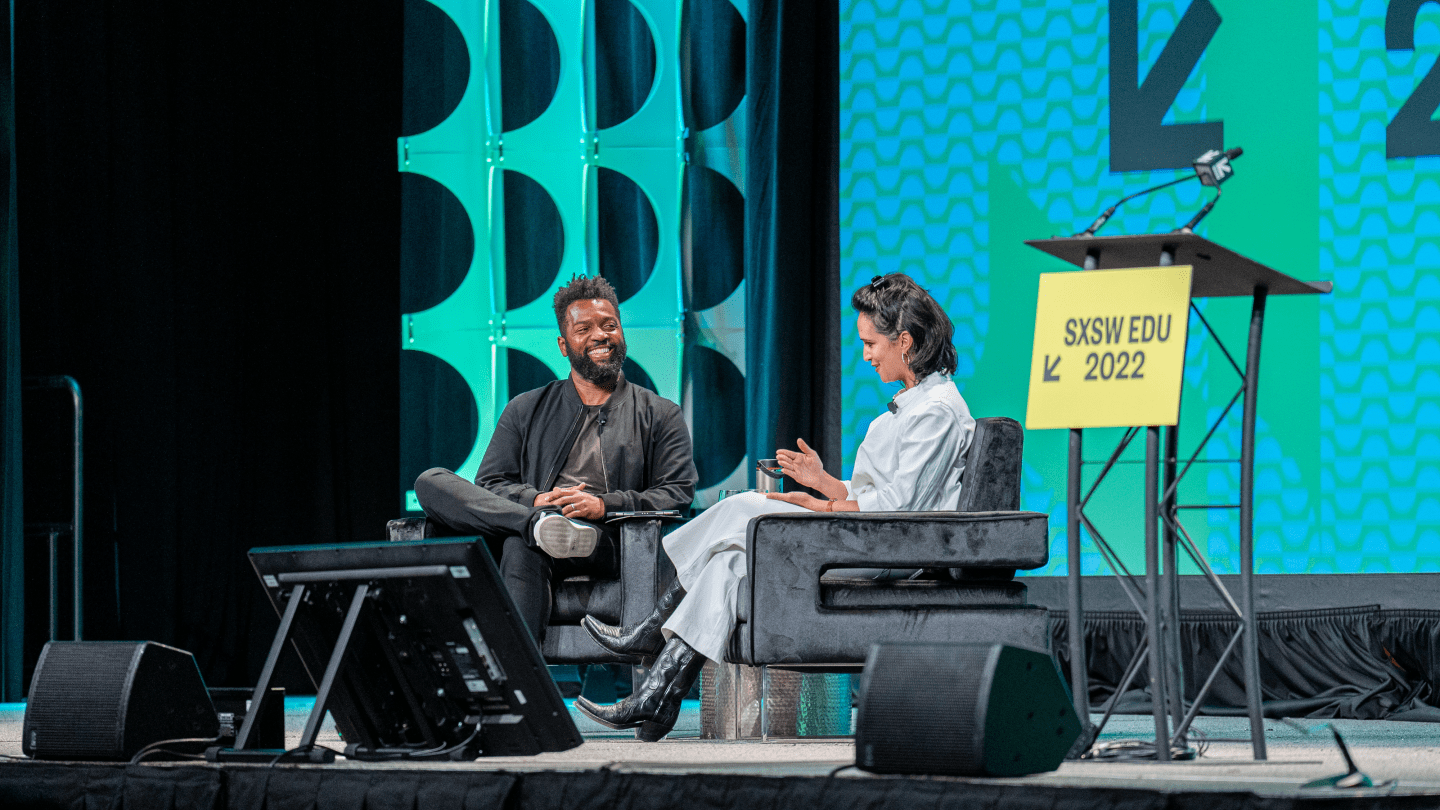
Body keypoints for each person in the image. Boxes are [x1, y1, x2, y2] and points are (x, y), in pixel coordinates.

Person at [575, 273, 976, 741]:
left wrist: (818, 506)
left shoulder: (937, 411)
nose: (865, 354)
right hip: (866, 536)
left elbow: (896, 511)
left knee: (748, 505)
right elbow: (880, 494)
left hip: (885, 550)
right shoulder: (916, 404)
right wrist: (824, 482)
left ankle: (650, 626)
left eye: (871, 343)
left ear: (904, 341)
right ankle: (659, 695)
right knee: (728, 562)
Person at [414, 275, 697, 642]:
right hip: (537, 525)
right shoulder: (526, 407)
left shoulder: (660, 413)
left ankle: (519, 687)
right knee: (431, 481)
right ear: (564, 345)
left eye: (610, 325)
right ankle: (533, 523)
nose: (600, 335)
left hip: (605, 538)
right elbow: (491, 484)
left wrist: (601, 505)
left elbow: (676, 493)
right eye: (585, 329)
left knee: (523, 541)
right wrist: (535, 502)